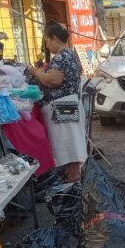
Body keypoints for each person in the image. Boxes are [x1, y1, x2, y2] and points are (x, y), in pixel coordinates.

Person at [28, 21, 86, 183]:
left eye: (47, 41)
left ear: (54, 39)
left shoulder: (61, 56)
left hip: (62, 105)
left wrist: (36, 73)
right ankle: (72, 175)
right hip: (67, 103)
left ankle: (73, 177)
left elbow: (54, 80)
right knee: (69, 139)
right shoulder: (69, 54)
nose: (47, 46)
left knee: (66, 140)